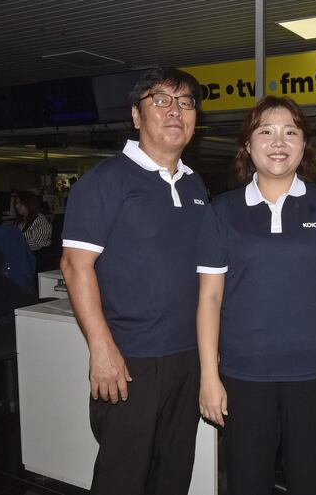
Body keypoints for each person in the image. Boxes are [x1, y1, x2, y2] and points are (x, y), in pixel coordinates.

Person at [196, 96, 316, 495]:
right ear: (248, 144)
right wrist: (209, 376)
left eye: (290, 132)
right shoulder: (222, 210)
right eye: (266, 132)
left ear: (304, 144)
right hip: (243, 372)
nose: (278, 142)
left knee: (309, 480)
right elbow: (209, 300)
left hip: (314, 372)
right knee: (247, 480)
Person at [60, 67, 208, 495]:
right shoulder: (105, 181)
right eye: (161, 100)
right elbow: (74, 266)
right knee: (122, 477)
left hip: (188, 356)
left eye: (185, 102)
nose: (175, 111)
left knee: (173, 472)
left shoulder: (195, 184)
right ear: (136, 116)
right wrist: (102, 349)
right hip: (131, 359)